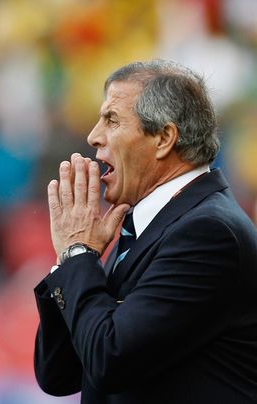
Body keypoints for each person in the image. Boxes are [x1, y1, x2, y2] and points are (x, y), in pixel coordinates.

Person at [33, 59, 257, 403]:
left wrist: (78, 254)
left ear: (164, 138)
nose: (94, 136)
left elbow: (111, 359)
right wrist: (74, 260)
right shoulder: (145, 226)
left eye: (111, 120)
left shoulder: (208, 232)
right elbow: (60, 373)